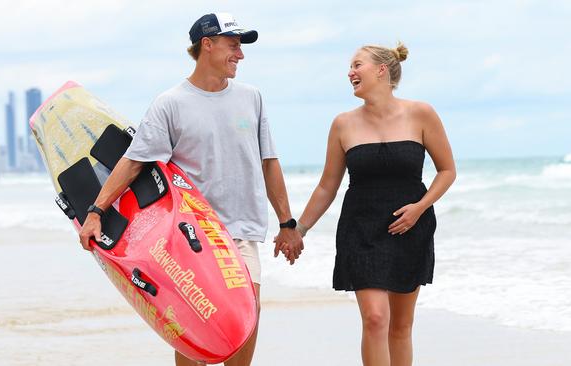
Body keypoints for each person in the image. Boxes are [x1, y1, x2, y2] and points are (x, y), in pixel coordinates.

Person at [78, 12, 304, 366]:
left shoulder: (252, 98)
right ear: (207, 45)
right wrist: (96, 212)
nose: (240, 54)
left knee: (242, 327)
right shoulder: (170, 103)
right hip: (192, 237)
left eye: (241, 47)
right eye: (233, 45)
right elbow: (135, 160)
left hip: (242, 233)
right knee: (197, 339)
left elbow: (269, 162)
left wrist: (287, 223)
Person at [282, 42, 456, 365]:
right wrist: (298, 229)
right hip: (360, 230)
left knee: (401, 327)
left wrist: (420, 207)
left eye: (357, 65)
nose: (350, 72)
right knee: (376, 318)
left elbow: (447, 171)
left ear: (381, 70)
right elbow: (326, 186)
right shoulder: (342, 124)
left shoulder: (422, 114)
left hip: (411, 228)